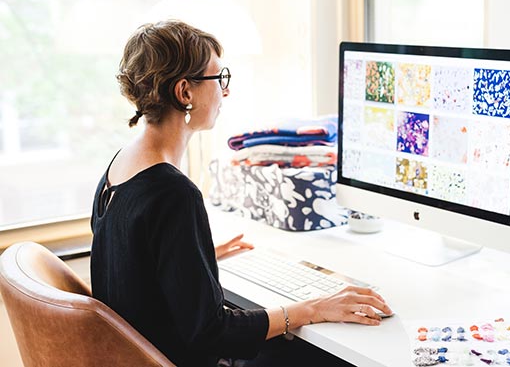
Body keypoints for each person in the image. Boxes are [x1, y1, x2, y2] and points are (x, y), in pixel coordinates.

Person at [90, 20, 392, 367]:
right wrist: (314, 307)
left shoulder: (120, 165)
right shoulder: (173, 192)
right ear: (185, 92)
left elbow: (127, 266)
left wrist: (193, 259)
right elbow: (212, 332)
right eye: (220, 79)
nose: (226, 91)